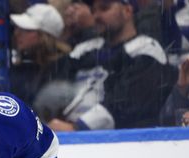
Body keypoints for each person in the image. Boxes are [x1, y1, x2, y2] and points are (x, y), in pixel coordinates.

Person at [47, 0, 175, 131]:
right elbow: (52, 86)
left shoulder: (147, 49)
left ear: (127, 11)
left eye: (104, 8)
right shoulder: (85, 49)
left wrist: (77, 127)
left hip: (117, 141)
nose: (96, 16)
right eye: (93, 11)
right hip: (65, 132)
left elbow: (128, 105)